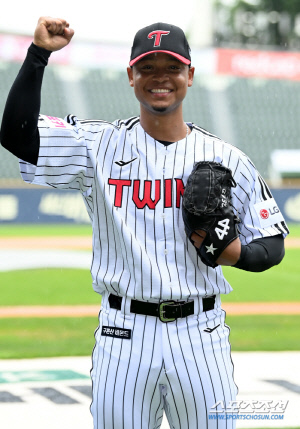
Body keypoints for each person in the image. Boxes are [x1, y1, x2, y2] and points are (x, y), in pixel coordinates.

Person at [0, 17, 288, 429]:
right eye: (147, 68)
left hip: (200, 334)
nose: (160, 78)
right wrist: (38, 54)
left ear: (190, 74)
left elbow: (272, 244)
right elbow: (17, 135)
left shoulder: (227, 157)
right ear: (130, 76)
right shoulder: (97, 145)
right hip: (123, 333)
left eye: (171, 67)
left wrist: (234, 252)